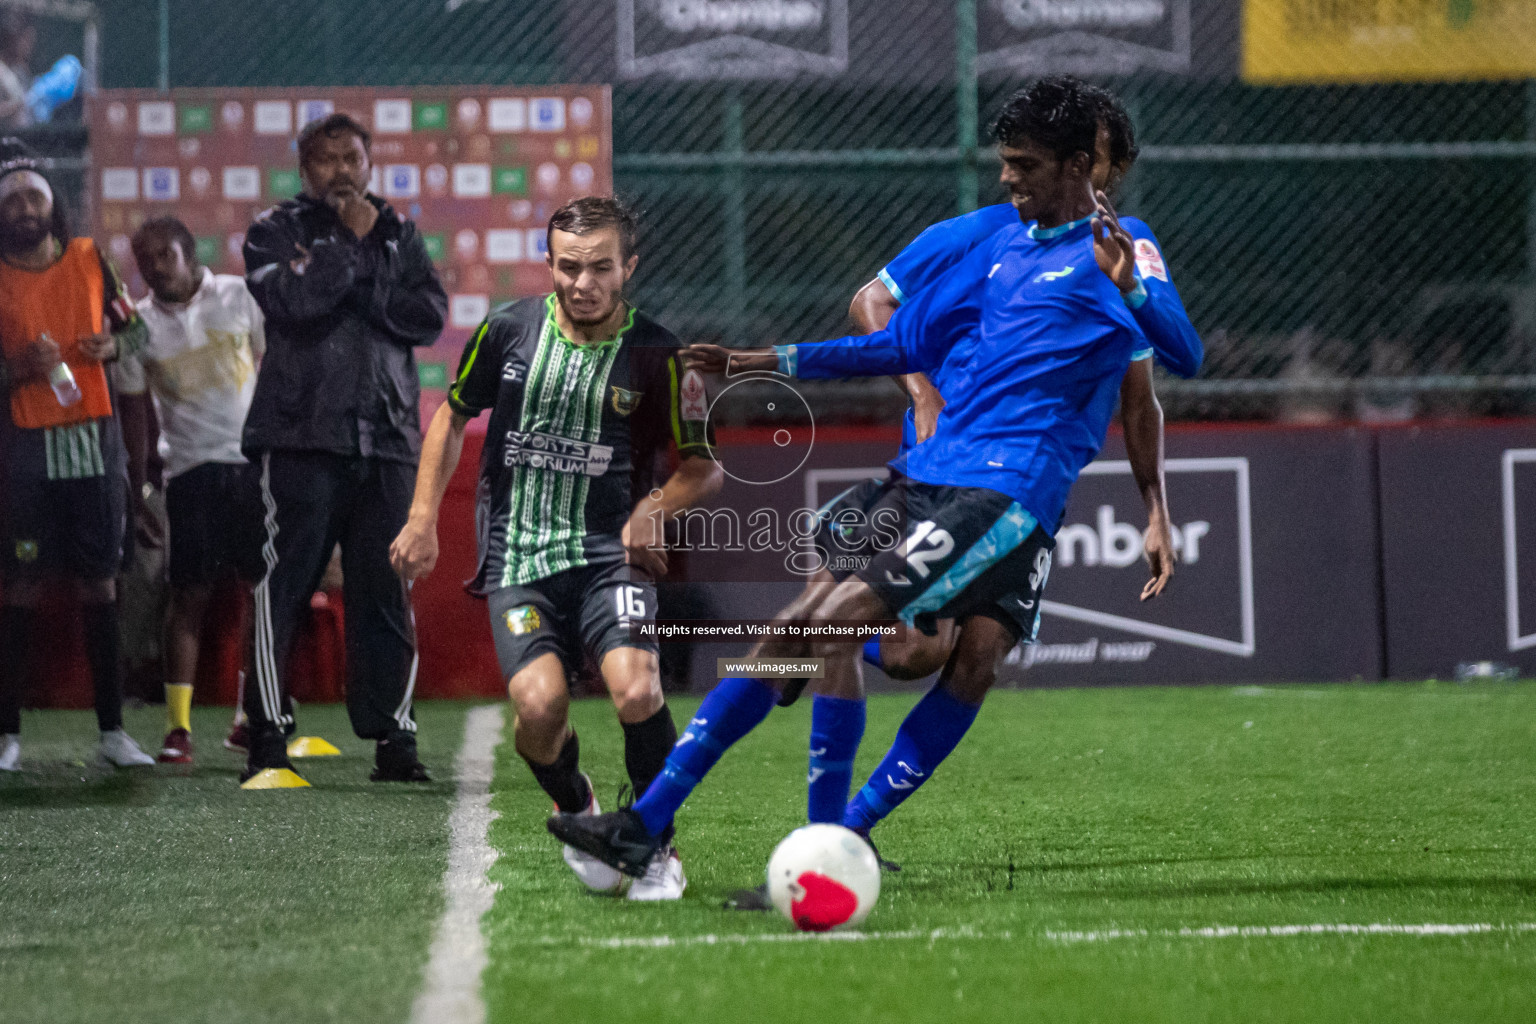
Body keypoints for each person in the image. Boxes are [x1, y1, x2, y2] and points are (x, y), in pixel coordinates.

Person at [548, 77, 1202, 879]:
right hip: (922, 473)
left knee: (914, 643)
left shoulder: (1120, 244)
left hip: (1000, 490)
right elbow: (892, 340)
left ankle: (835, 840)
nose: (1006, 178)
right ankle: (647, 824)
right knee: (794, 629)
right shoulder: (995, 246)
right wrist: (764, 362)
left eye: (1023, 164)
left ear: (1077, 164)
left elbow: (1182, 353)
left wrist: (1131, 286)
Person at [390, 196, 722, 900]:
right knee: (538, 713)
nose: (583, 282)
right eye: (569, 266)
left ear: (629, 267)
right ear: (548, 264)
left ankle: (654, 845)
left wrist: (655, 508)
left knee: (638, 687)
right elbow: (451, 418)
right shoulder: (507, 332)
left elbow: (703, 465)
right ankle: (578, 808)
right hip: (521, 560)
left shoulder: (664, 355)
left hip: (609, 558)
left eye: (601, 267)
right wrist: (422, 518)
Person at [239, 112, 446, 784]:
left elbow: (428, 316)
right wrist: (348, 254)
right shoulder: (274, 231)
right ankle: (267, 736)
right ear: (305, 169)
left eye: (351, 157)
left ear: (369, 162)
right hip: (299, 435)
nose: (341, 171)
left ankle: (396, 740)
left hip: (385, 436)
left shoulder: (397, 230)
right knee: (286, 585)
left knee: (387, 585)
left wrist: (359, 272)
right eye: (326, 160)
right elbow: (293, 303)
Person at [0, 150, 156, 770]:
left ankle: (114, 732)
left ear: (52, 205)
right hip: (24, 455)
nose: (24, 209)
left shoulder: (92, 261)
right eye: (12, 201)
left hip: (94, 450)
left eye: (33, 197)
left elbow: (140, 332)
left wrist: (114, 344)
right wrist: (15, 371)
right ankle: (7, 734)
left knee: (101, 582)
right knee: (19, 586)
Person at [116, 216, 265, 764]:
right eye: (145, 259)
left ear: (189, 252)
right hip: (188, 473)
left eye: (164, 255)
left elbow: (267, 367)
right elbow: (133, 412)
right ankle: (177, 729)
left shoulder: (239, 294)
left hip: (250, 467)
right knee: (189, 598)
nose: (154, 267)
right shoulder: (136, 325)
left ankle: (249, 717)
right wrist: (139, 488)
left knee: (259, 592)